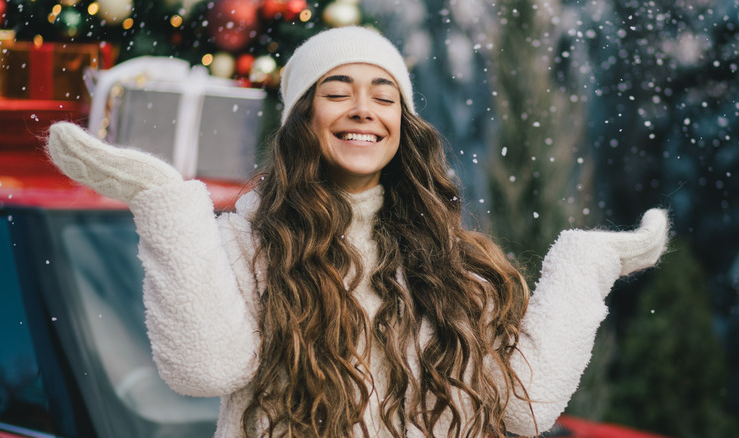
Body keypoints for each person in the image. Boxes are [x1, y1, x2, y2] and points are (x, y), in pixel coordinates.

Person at [46, 26, 669, 438]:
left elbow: (521, 407)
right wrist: (166, 202)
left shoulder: (453, 262)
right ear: (300, 120)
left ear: (404, 124)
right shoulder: (248, 244)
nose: (364, 110)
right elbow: (205, 368)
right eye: (337, 92)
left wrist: (583, 265)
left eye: (385, 96)